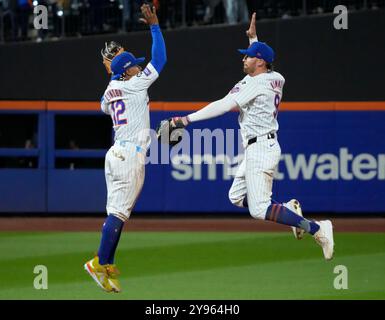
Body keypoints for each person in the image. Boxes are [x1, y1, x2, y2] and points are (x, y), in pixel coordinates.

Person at [163, 13, 334, 260]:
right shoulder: (276, 78)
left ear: (260, 62)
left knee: (259, 209)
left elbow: (222, 105)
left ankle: (318, 229)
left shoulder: (254, 84)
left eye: (249, 55)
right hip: (260, 146)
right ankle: (287, 211)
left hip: (261, 148)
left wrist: (185, 120)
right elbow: (265, 62)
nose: (244, 58)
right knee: (236, 197)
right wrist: (254, 39)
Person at [84, 3, 167, 293]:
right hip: (129, 154)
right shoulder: (135, 84)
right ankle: (98, 262)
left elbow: (105, 103)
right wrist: (154, 26)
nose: (140, 66)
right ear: (127, 70)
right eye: (135, 64)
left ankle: (105, 261)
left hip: (117, 153)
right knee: (118, 214)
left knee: (118, 213)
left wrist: (115, 72)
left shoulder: (111, 90)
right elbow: (161, 58)